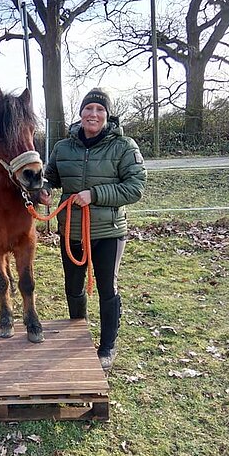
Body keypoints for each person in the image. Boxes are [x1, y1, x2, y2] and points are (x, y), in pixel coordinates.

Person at [44, 88, 147, 371]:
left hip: (109, 232)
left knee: (107, 289)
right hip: (72, 231)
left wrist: (95, 194)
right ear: (80, 113)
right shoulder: (63, 147)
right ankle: (78, 337)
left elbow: (135, 188)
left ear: (107, 114)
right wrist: (42, 189)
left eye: (99, 109)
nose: (93, 114)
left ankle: (107, 348)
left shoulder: (125, 146)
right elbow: (50, 176)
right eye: (88, 109)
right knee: (73, 288)